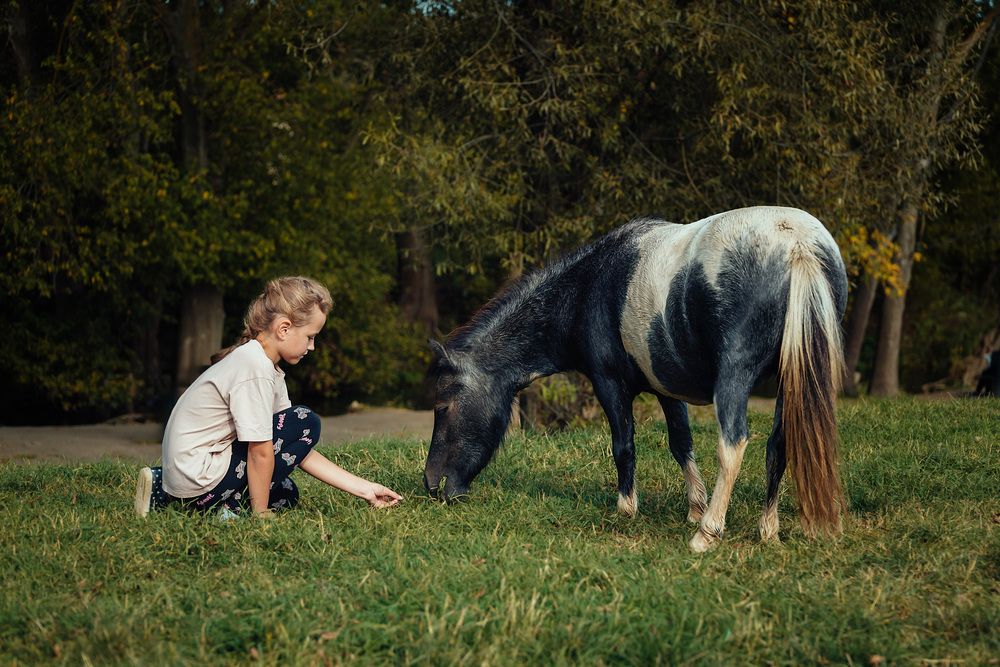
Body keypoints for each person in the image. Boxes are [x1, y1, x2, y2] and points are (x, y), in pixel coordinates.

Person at [134, 276, 402, 519]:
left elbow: (295, 446)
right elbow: (261, 451)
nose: (312, 347)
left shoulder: (265, 366)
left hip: (192, 475)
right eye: (310, 337)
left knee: (286, 493)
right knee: (306, 420)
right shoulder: (255, 368)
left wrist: (365, 489)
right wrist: (261, 513)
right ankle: (219, 509)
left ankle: (174, 494)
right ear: (284, 329)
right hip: (199, 475)